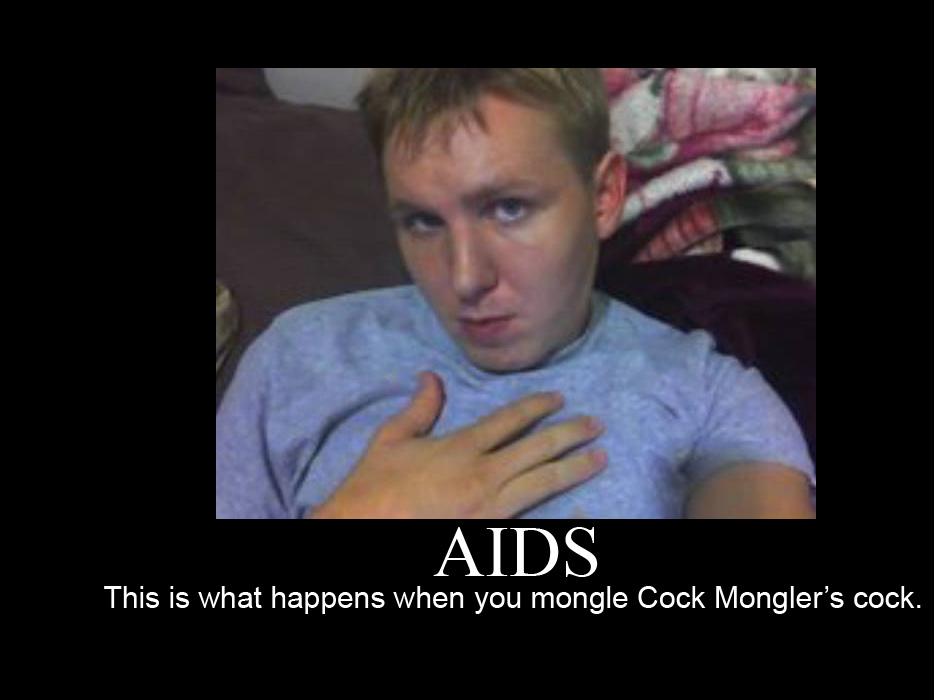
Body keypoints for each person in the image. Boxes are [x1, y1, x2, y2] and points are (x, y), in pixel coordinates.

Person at [215, 68, 816, 519]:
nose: (465, 277)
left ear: (604, 196)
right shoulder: (296, 356)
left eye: (508, 208)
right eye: (423, 221)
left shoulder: (708, 398)